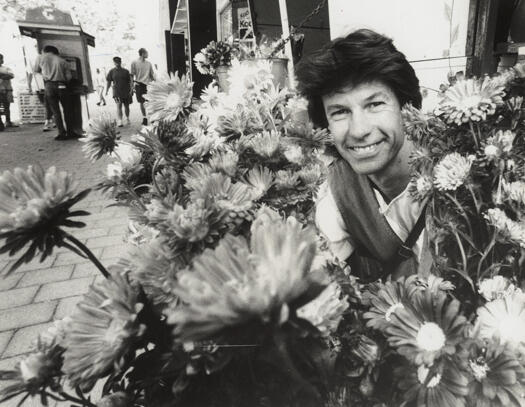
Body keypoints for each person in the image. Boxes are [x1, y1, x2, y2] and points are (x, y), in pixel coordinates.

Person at [295, 29, 427, 281]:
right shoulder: (338, 194)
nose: (359, 130)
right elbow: (323, 279)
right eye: (340, 112)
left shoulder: (458, 180)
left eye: (375, 104)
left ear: (406, 107)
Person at [35, 45, 80, 140]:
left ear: (45, 51)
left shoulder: (40, 58)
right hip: (62, 86)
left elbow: (36, 71)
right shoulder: (63, 61)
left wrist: (46, 74)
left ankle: (61, 133)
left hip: (49, 86)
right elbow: (69, 77)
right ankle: (70, 132)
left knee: (55, 111)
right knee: (67, 110)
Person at [31, 48, 55, 132]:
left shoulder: (40, 57)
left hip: (43, 85)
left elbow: (35, 70)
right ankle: (52, 120)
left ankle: (48, 122)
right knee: (47, 104)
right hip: (41, 84)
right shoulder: (50, 57)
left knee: (47, 104)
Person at [130, 47, 155, 126]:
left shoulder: (149, 63)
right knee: (141, 102)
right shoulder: (134, 62)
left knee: (150, 102)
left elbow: (152, 75)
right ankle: (145, 118)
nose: (148, 54)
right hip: (139, 84)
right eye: (146, 53)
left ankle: (152, 117)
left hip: (148, 85)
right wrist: (132, 86)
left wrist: (156, 84)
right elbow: (132, 75)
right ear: (142, 53)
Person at [106, 57, 133, 127]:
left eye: (118, 62)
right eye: (115, 62)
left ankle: (127, 118)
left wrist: (131, 89)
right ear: (114, 63)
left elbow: (130, 81)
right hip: (116, 92)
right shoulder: (111, 71)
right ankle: (120, 121)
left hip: (126, 91)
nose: (117, 63)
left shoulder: (126, 71)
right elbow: (108, 81)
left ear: (121, 62)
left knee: (126, 106)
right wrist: (107, 90)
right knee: (119, 105)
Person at [0, 53, 17, 131]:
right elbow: (8, 76)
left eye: (1, 58)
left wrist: (1, 75)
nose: (1, 60)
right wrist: (3, 75)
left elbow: (11, 76)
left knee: (7, 106)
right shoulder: (6, 70)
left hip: (7, 90)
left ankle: (8, 121)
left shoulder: (6, 68)